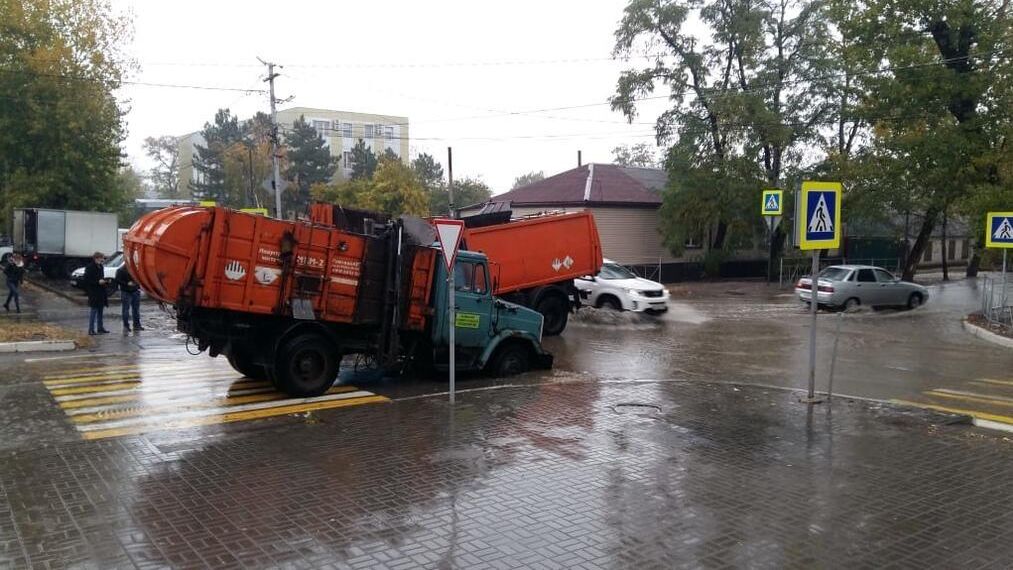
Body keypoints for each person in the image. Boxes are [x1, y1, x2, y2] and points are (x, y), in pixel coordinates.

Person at [83, 252, 110, 335]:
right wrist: (97, 282)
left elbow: (101, 277)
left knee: (100, 311)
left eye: (103, 258)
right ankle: (91, 329)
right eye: (101, 258)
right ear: (96, 258)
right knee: (94, 311)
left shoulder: (101, 266)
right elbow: (87, 280)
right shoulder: (90, 267)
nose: (102, 260)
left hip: (101, 292)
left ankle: (100, 328)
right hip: (94, 292)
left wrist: (105, 281)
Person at [114, 263, 143, 332]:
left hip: (135, 290)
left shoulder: (135, 269)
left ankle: (136, 325)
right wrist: (127, 283)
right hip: (126, 291)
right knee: (126, 310)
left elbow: (139, 278)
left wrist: (138, 285)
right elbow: (117, 280)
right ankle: (126, 326)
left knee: (135, 309)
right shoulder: (121, 270)